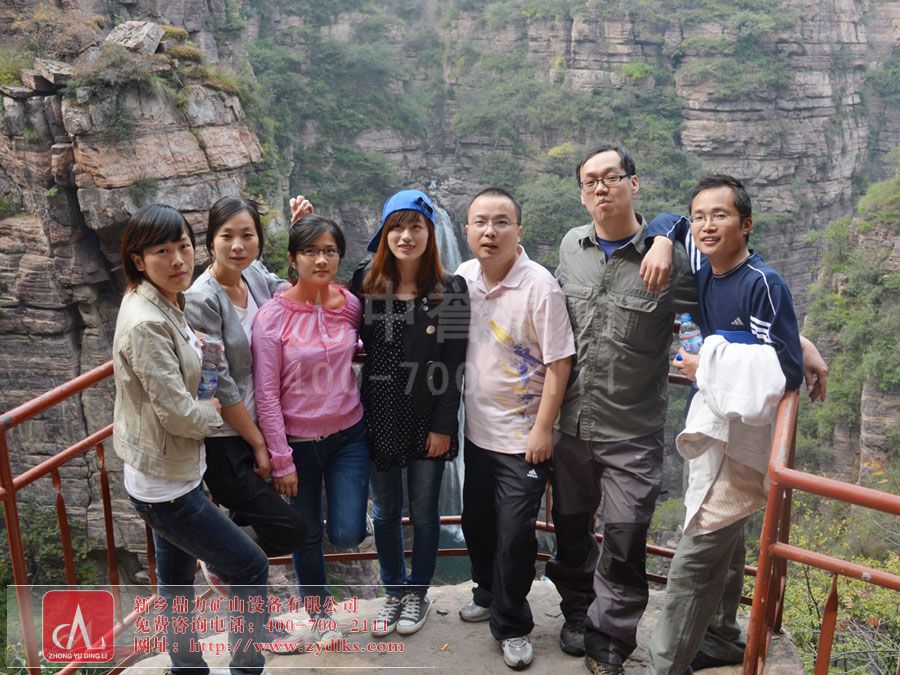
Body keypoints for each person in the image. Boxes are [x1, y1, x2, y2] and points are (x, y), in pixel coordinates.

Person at [640, 177, 826, 672]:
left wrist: (709, 362)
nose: (706, 225)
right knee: (726, 536)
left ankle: (664, 664)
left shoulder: (762, 283)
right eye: (700, 216)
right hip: (713, 423)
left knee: (697, 551)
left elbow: (785, 369)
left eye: (720, 215)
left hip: (742, 435)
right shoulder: (703, 262)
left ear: (746, 225)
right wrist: (662, 243)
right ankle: (721, 636)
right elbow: (669, 222)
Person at [547, 145, 699, 675]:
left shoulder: (672, 260)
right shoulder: (571, 246)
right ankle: (576, 611)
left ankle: (608, 642)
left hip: (631, 431)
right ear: (581, 194)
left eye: (611, 177)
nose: (600, 188)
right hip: (569, 426)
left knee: (625, 535)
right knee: (570, 530)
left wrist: (798, 341)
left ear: (633, 183)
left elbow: (728, 293)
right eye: (590, 181)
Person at [112, 203, 268, 674]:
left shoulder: (161, 298)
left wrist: (206, 363)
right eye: (162, 251)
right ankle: (246, 668)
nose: (178, 259)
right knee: (249, 567)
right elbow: (180, 416)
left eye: (183, 245)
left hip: (168, 471)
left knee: (177, 583)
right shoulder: (147, 322)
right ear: (138, 259)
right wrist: (215, 410)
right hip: (168, 488)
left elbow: (188, 369)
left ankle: (186, 667)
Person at [456, 187, 575, 670]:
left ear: (518, 231)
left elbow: (560, 363)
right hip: (476, 433)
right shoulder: (464, 277)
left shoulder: (540, 286)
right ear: (467, 230)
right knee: (477, 525)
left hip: (523, 440)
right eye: (481, 222)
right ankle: (487, 593)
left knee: (513, 537)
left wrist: (543, 429)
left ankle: (512, 625)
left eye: (501, 222)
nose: (490, 231)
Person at [349, 189, 470, 637]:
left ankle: (417, 593)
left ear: (429, 233)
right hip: (378, 413)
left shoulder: (451, 289)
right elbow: (320, 313)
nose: (406, 236)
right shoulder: (366, 281)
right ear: (384, 233)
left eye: (416, 226)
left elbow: (454, 364)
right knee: (384, 512)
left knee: (423, 513)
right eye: (396, 227)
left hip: (427, 414)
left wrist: (443, 426)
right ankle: (393, 591)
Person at [252, 214, 369, 645]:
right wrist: (281, 460)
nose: (321, 260)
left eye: (330, 251)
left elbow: (357, 345)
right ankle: (320, 617)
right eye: (311, 251)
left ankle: (351, 512)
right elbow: (266, 394)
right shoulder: (272, 317)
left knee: (347, 532)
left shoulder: (350, 305)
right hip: (298, 445)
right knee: (307, 536)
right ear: (292, 259)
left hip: (348, 434)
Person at [185, 196, 310, 572]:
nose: (237, 246)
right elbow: (216, 382)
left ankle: (233, 557)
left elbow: (290, 293)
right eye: (227, 236)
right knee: (290, 530)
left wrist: (300, 235)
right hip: (227, 440)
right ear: (211, 241)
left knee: (262, 519)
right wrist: (259, 444)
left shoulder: (253, 274)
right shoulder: (201, 299)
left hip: (263, 420)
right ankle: (220, 558)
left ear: (259, 241)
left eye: (247, 235)